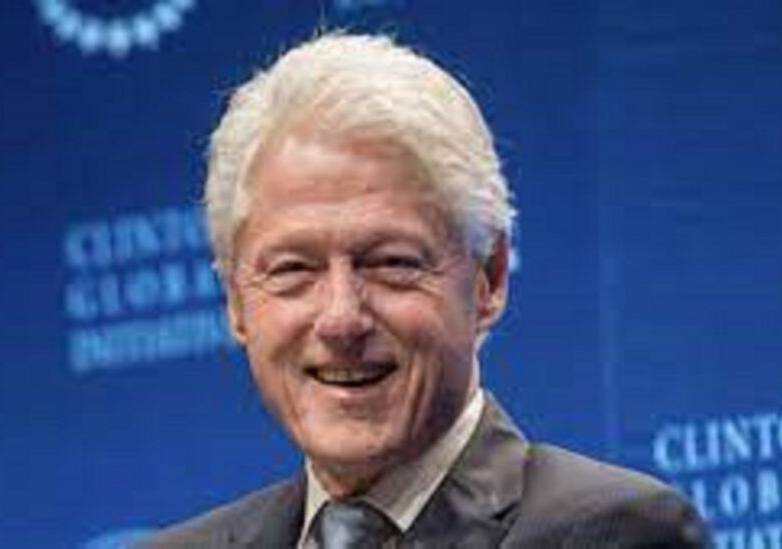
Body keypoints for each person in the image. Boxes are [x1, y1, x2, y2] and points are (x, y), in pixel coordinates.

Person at [143, 32, 709, 548]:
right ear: (236, 302)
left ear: (489, 279)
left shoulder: (616, 534)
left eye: (390, 263)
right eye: (294, 269)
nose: (341, 319)